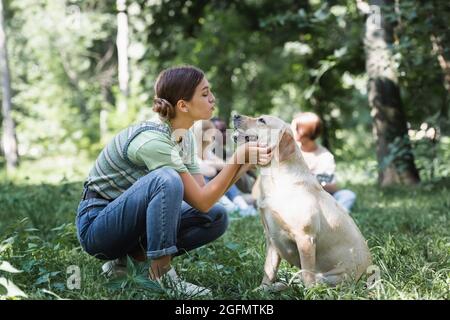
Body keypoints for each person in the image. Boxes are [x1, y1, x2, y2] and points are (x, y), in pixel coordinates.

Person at [75, 66, 271, 296]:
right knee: (165, 179)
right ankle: (161, 276)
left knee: (216, 215)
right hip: (97, 227)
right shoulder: (154, 139)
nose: (212, 98)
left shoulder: (183, 136)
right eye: (205, 93)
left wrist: (244, 163)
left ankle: (125, 263)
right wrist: (237, 158)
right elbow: (198, 197)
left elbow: (204, 198)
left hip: (127, 223)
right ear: (183, 105)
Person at [291, 112, 356, 213]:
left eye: (294, 128)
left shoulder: (325, 156)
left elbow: (331, 185)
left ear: (304, 132)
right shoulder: (290, 152)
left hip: (319, 197)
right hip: (294, 196)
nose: (290, 131)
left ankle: (339, 213)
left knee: (348, 195)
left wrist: (311, 178)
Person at [193, 120, 257, 217]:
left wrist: (209, 163)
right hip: (203, 192)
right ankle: (233, 208)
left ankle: (242, 206)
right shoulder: (192, 152)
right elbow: (211, 172)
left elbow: (224, 165)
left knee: (223, 175)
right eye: (212, 134)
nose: (214, 137)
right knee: (212, 177)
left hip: (214, 189)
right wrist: (213, 165)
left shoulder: (207, 151)